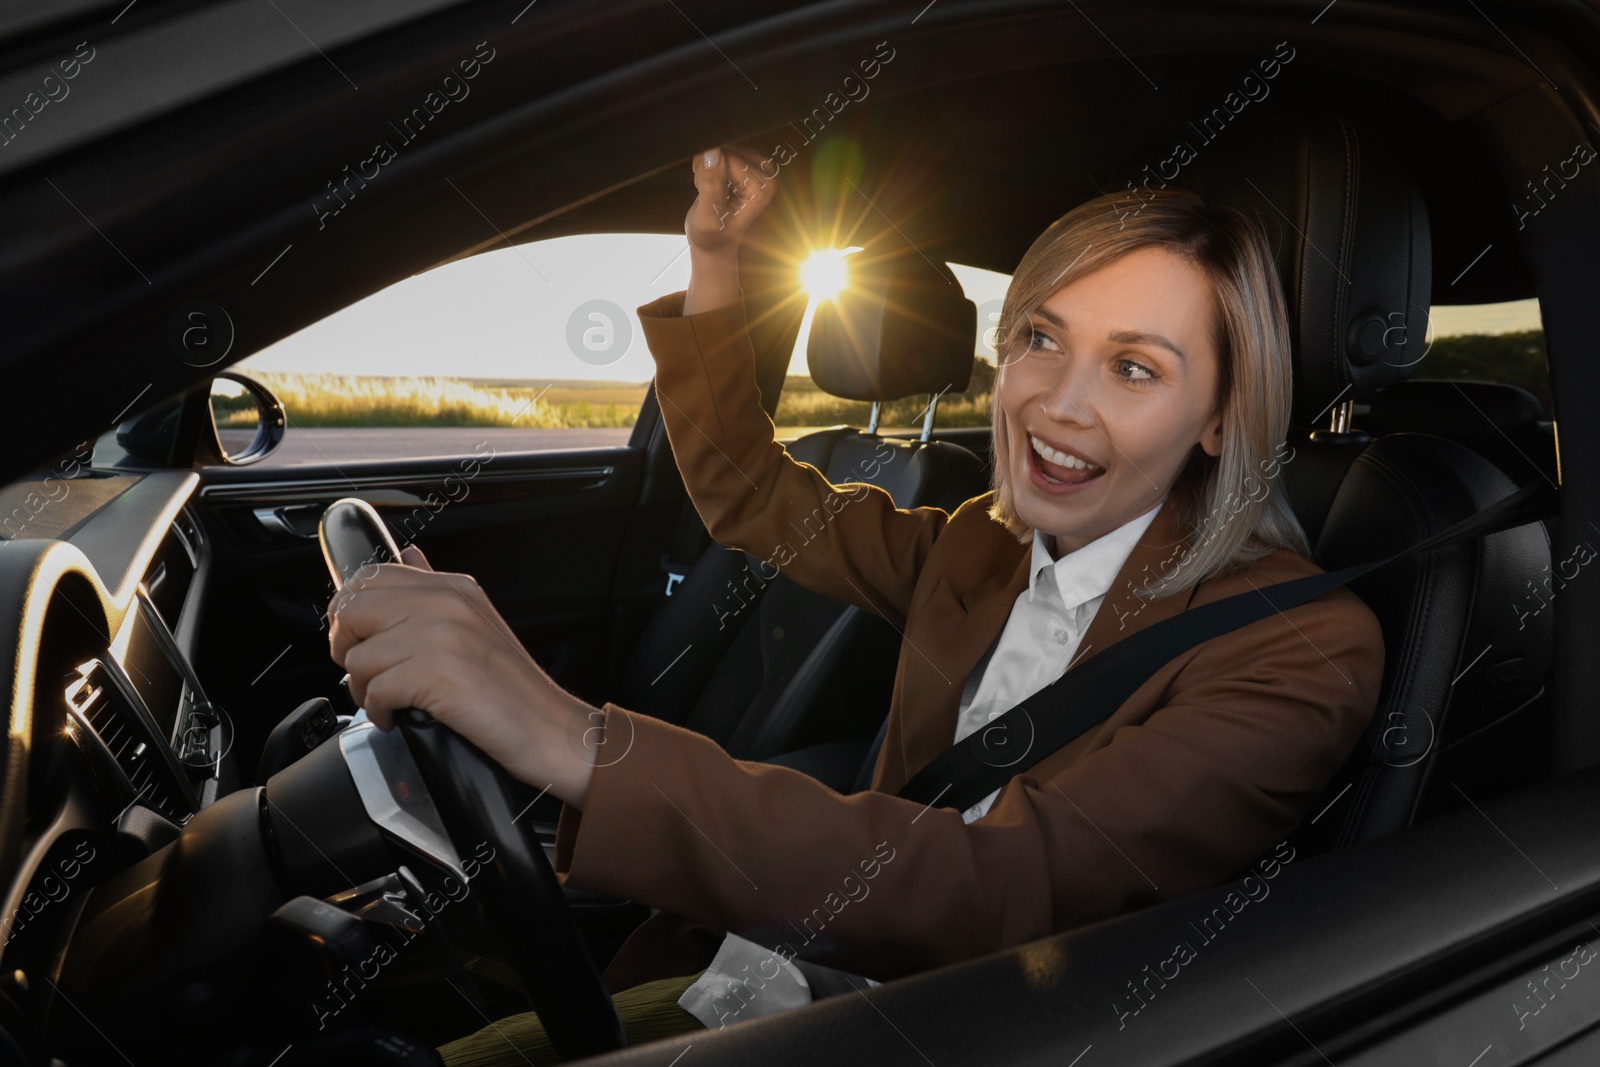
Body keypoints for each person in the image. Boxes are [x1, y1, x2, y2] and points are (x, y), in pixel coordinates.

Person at [326, 144, 1385, 1063]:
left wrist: (568, 732)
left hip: (950, 1027)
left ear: (1218, 416)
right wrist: (714, 261)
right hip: (781, 958)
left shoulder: (1297, 649)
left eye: (1134, 368)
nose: (1059, 402)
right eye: (1041, 338)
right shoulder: (976, 541)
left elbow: (1010, 889)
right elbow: (750, 490)